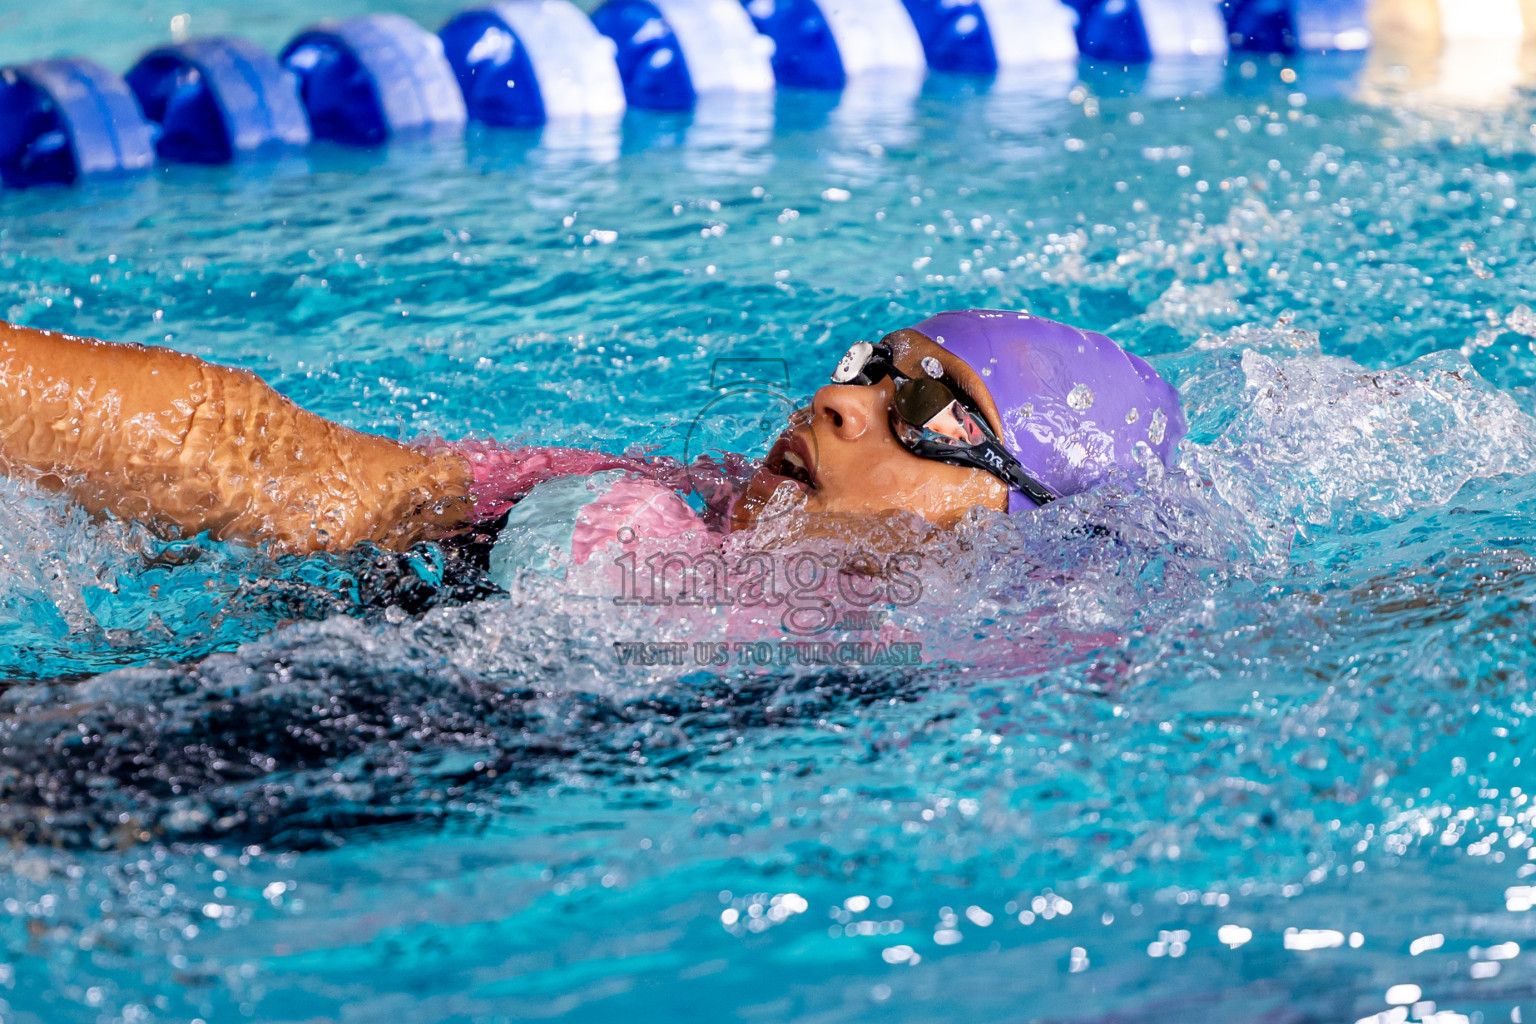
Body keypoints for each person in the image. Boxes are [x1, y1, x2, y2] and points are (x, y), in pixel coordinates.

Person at [0, 310, 1186, 585]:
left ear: (1006, 508)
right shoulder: (638, 492)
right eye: (868, 367)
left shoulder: (955, 659)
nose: (839, 405)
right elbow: (268, 460)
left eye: (924, 407)